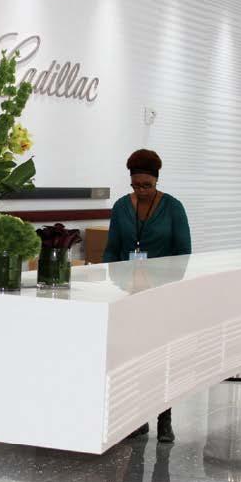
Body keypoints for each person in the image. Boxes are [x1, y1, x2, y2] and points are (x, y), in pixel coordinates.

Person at [103, 149, 192, 443]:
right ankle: (138, 418)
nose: (141, 191)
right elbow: (111, 250)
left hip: (161, 295)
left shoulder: (173, 207)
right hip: (128, 295)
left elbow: (184, 253)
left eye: (147, 185)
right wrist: (113, 285)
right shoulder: (121, 207)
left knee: (161, 358)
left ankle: (164, 419)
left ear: (156, 180)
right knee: (133, 358)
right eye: (136, 185)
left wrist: (167, 288)